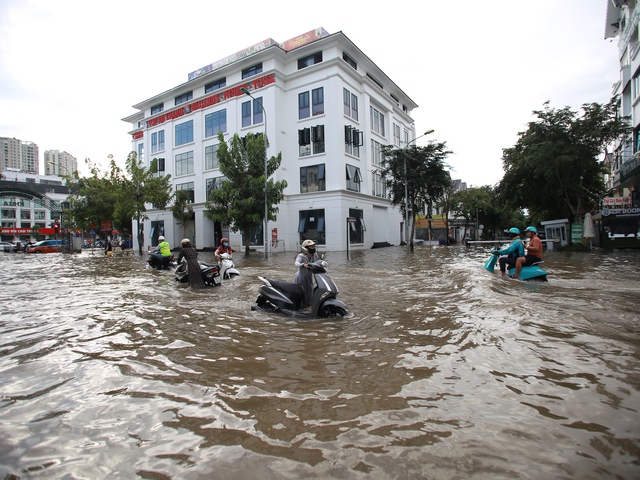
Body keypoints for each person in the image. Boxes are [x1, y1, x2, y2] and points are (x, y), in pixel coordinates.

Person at [294, 239, 319, 307]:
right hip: (301, 278)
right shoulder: (301, 256)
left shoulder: (315, 255)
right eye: (311, 246)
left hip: (309, 277)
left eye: (314, 246)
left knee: (310, 293)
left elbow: (317, 262)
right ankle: (300, 307)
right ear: (305, 248)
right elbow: (296, 263)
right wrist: (302, 265)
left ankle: (309, 306)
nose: (314, 247)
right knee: (302, 293)